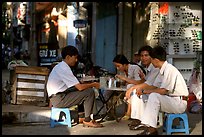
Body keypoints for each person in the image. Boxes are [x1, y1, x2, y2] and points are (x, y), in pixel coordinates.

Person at [127, 46, 189, 135]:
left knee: (154, 96)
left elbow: (163, 91)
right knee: (147, 95)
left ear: (155, 60)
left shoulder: (169, 70)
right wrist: (142, 91)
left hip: (179, 102)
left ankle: (152, 129)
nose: (151, 62)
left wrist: (145, 91)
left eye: (151, 59)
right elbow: (154, 86)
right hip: (171, 100)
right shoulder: (162, 70)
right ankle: (147, 125)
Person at [46, 45, 103, 128]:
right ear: (68, 57)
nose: (76, 60)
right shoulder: (64, 68)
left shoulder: (60, 66)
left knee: (83, 90)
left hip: (57, 97)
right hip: (59, 99)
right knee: (89, 92)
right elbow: (79, 87)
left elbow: (74, 85)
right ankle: (87, 120)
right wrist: (93, 84)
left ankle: (85, 116)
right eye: (75, 58)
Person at [126, 45, 160, 127]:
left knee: (135, 91)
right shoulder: (148, 68)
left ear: (151, 56)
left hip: (158, 92)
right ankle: (139, 118)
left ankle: (140, 119)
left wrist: (132, 88)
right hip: (152, 91)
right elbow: (147, 82)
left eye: (146, 55)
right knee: (134, 90)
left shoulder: (155, 68)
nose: (143, 58)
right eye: (141, 56)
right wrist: (143, 79)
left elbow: (149, 84)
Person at [104, 54, 146, 120]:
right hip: (125, 88)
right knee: (108, 91)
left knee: (130, 86)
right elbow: (124, 82)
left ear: (124, 64)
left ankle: (128, 112)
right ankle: (110, 112)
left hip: (137, 88)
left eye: (118, 66)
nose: (118, 68)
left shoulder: (135, 68)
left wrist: (124, 79)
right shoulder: (122, 71)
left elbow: (139, 82)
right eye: (116, 66)